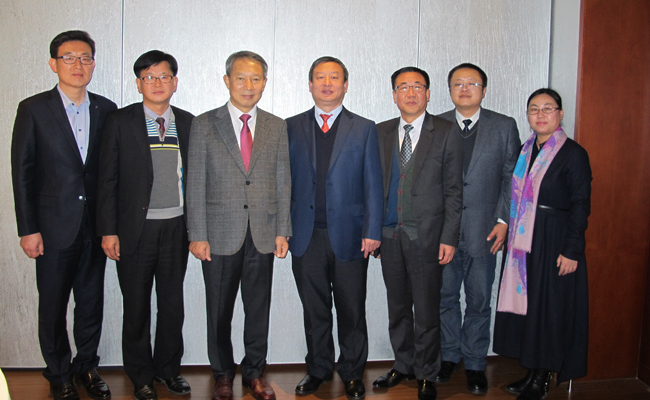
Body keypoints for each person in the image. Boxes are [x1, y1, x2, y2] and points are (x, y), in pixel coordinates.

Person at [10, 30, 116, 400]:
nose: (77, 65)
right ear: (53, 63)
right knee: (53, 306)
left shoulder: (106, 109)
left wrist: (111, 226)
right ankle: (58, 373)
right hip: (53, 227)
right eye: (68, 58)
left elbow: (110, 174)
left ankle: (86, 367)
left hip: (95, 227)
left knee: (90, 304)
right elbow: (22, 172)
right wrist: (28, 228)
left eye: (85, 58)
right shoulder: (33, 109)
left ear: (93, 64)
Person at [186, 51, 291, 400]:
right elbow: (195, 183)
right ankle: (222, 374)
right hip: (218, 234)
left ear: (264, 83)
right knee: (219, 310)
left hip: (262, 233)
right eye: (241, 78)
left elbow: (283, 181)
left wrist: (282, 230)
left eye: (256, 78)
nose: (248, 85)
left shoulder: (276, 126)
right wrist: (197, 234)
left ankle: (254, 373)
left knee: (258, 308)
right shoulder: (204, 124)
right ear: (227, 81)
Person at [96, 50, 194, 400]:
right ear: (139, 84)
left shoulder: (188, 122)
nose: (157, 83)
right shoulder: (120, 121)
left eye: (164, 76)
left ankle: (169, 369)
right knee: (136, 307)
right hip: (134, 231)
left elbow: (196, 179)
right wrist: (108, 230)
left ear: (175, 82)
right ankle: (140, 376)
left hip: (177, 228)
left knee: (172, 305)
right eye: (149, 77)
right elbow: (106, 180)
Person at [287, 56, 383, 400]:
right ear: (310, 84)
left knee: (352, 309)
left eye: (334, 77)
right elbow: (283, 183)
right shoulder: (291, 126)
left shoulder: (364, 127)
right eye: (320, 77)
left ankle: (353, 372)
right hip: (305, 235)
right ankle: (318, 369)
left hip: (352, 236)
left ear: (345, 85)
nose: (327, 84)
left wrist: (373, 230)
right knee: (314, 310)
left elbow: (373, 184)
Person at [493, 88, 591, 400]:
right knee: (531, 308)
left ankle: (543, 376)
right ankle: (532, 370)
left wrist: (572, 250)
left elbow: (580, 206)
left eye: (548, 108)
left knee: (550, 308)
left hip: (554, 239)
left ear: (560, 114)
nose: (540, 114)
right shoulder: (525, 151)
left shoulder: (573, 154)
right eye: (534, 109)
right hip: (524, 241)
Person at [371, 66, 463, 400]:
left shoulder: (447, 131)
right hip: (389, 235)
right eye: (403, 87)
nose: (410, 93)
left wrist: (449, 237)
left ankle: (426, 372)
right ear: (394, 95)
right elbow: (371, 187)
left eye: (417, 86)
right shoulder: (380, 132)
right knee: (397, 307)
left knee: (426, 310)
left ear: (428, 93)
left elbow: (454, 191)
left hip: (427, 236)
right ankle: (403, 364)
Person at [436, 63, 521, 395]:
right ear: (449, 90)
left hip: (485, 231)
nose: (464, 88)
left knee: (479, 300)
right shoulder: (436, 124)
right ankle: (448, 356)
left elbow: (512, 179)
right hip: (443, 233)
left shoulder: (504, 126)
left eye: (472, 83)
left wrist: (503, 221)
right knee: (444, 298)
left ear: (483, 90)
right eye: (458, 83)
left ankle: (474, 363)